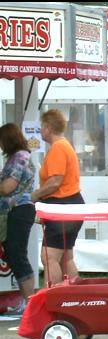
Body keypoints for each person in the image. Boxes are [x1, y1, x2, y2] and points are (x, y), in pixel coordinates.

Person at [31, 109, 85, 286]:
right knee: (66, 257)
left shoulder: (58, 148)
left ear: (48, 127)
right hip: (72, 205)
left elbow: (55, 181)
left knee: (49, 257)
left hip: (62, 206)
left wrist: (34, 196)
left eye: (41, 127)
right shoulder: (65, 145)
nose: (40, 131)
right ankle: (76, 296)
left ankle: (51, 298)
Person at [0, 123, 36, 315]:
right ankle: (27, 302)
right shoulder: (19, 157)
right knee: (16, 254)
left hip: (19, 210)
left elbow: (7, 187)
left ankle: (30, 303)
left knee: (17, 254)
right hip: (19, 211)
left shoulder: (19, 158)